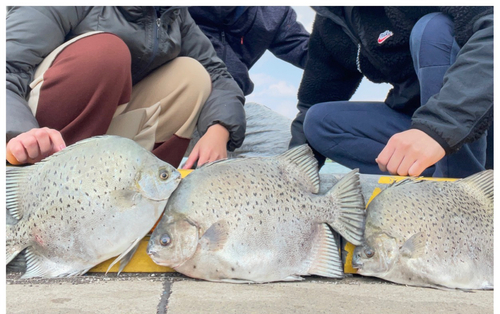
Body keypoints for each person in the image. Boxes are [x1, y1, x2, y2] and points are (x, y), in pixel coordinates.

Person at [6, 6, 246, 169]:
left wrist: (220, 129)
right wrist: (19, 133)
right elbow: (7, 66)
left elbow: (217, 74)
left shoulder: (175, 14)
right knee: (106, 52)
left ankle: (129, 199)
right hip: (34, 130)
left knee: (193, 75)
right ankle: (45, 182)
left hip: (105, 123)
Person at [290, 6, 493, 178]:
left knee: (433, 29)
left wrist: (439, 128)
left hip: (479, 119)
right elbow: (312, 100)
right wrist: (291, 176)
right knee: (317, 121)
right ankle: (426, 178)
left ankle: (463, 187)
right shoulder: (331, 20)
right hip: (417, 120)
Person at [187, 6, 310, 158]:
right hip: (170, 105)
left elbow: (311, 52)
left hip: (228, 109)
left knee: (287, 146)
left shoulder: (275, 12)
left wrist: (341, 32)